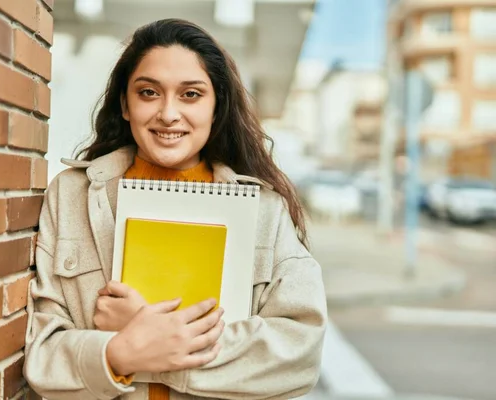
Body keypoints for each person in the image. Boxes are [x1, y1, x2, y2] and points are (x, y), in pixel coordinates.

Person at [24, 18, 327, 400]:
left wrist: (145, 337)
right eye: (149, 93)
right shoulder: (71, 196)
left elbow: (298, 354)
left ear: (216, 108)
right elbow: (42, 355)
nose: (168, 113)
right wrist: (120, 352)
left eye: (191, 95)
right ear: (125, 104)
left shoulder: (266, 211)